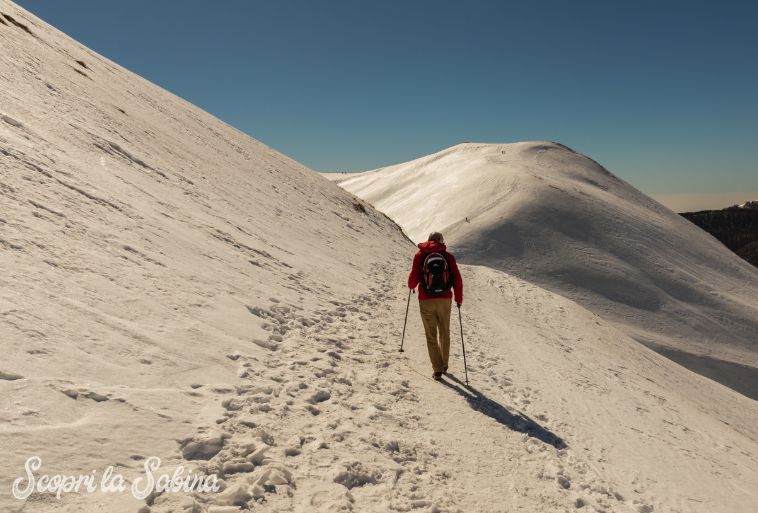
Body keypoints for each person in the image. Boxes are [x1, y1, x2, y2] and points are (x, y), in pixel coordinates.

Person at [407, 232, 463, 380]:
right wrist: (459, 299)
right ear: (441, 241)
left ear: (429, 240)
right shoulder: (448, 257)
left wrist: (411, 286)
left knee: (430, 334)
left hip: (426, 299)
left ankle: (437, 369)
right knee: (444, 331)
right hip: (445, 299)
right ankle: (444, 365)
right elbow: (457, 279)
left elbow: (413, 278)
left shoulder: (420, 255)